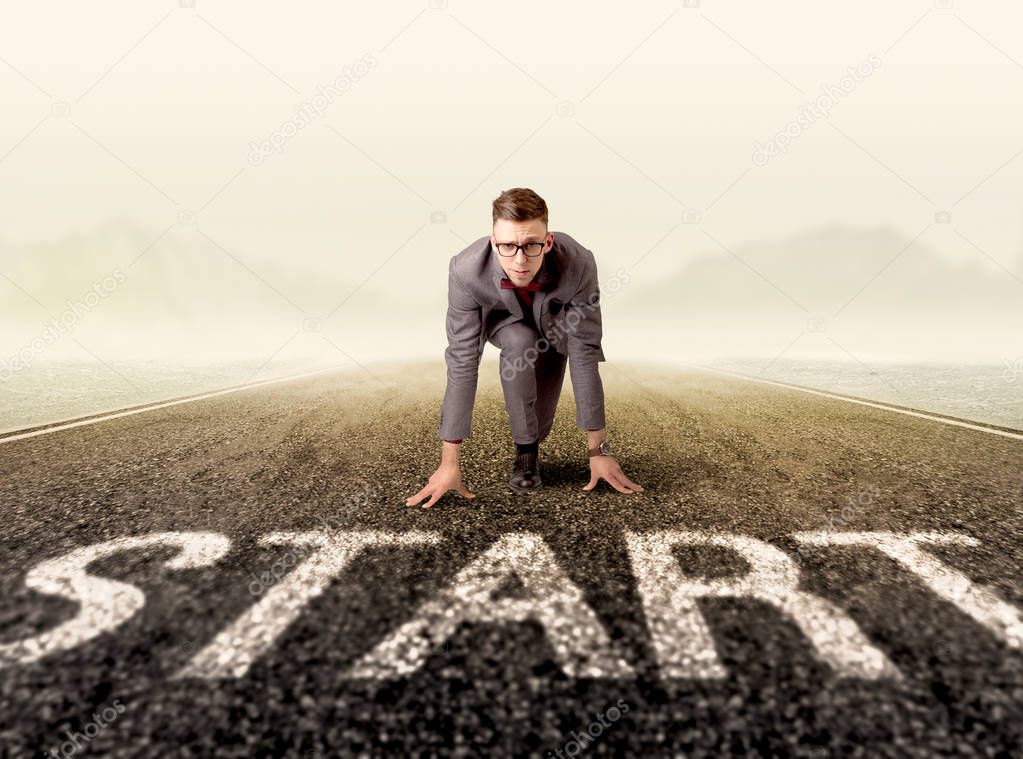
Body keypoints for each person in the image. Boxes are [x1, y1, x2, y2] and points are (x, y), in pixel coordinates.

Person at [405, 187, 643, 509]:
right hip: (506, 325)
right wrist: (449, 463)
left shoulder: (580, 263)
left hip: (555, 330)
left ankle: (533, 437)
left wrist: (597, 451)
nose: (519, 260)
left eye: (531, 245)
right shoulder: (464, 270)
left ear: (548, 241)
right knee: (519, 342)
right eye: (507, 246)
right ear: (493, 241)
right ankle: (526, 452)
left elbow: (584, 352)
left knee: (540, 423)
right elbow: (462, 360)